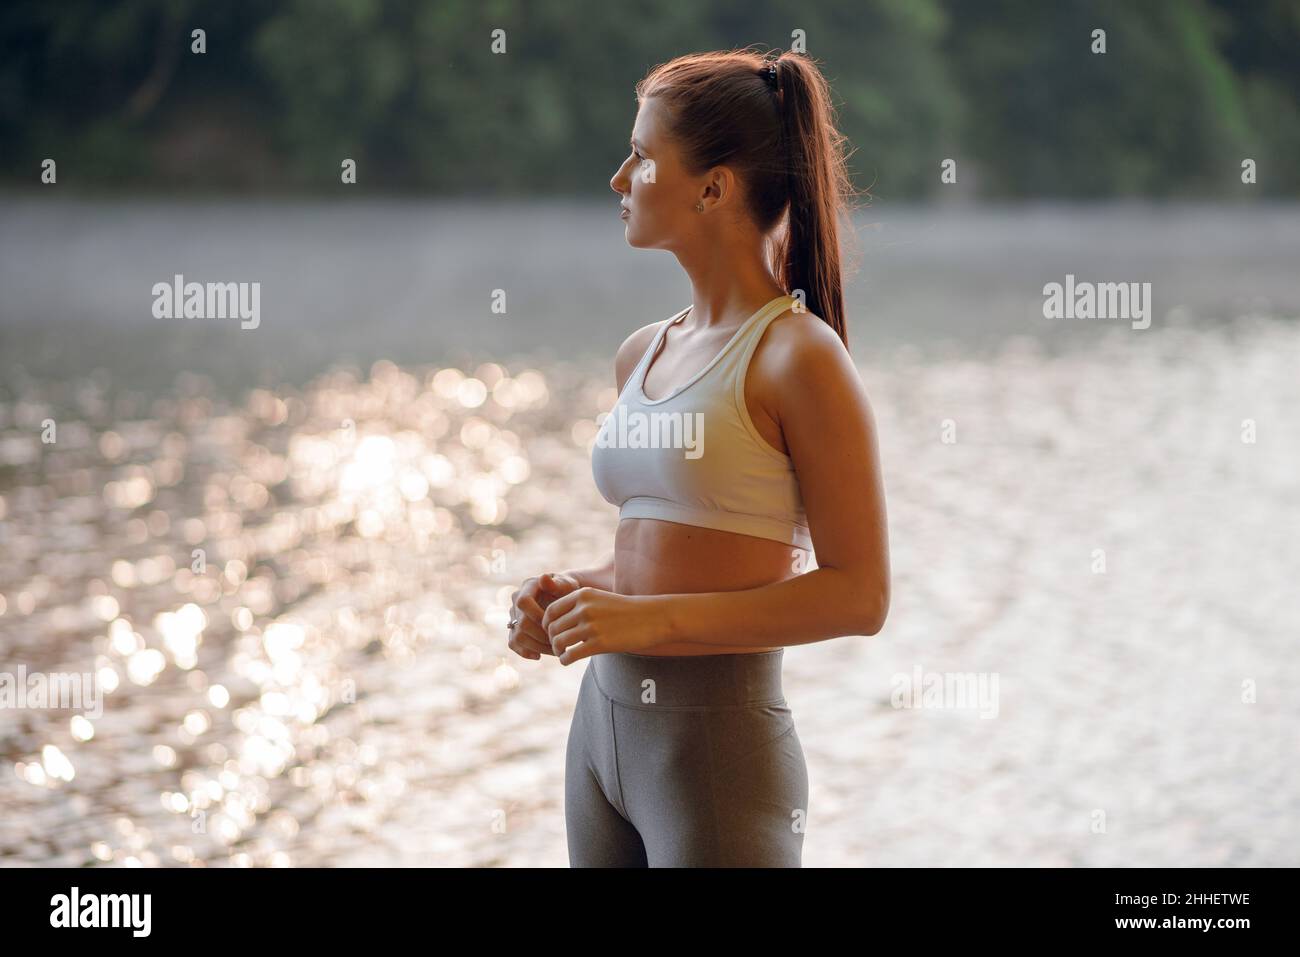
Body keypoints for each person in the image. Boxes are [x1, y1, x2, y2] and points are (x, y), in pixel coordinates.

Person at [507, 47, 890, 867]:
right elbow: (669, 556)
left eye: (642, 158)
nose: (619, 178)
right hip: (600, 734)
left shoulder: (798, 358)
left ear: (713, 187)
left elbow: (860, 595)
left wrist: (645, 619)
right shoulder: (641, 353)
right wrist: (574, 594)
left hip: (717, 754)